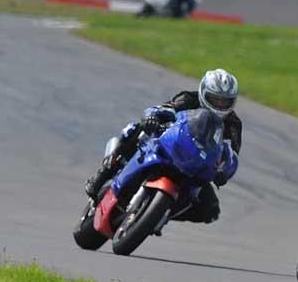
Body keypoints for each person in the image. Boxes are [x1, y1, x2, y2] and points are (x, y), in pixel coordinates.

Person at [84, 69, 242, 224]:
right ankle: (103, 174)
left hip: (198, 164)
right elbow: (163, 109)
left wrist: (223, 171)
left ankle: (162, 214)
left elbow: (231, 154)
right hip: (170, 143)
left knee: (211, 211)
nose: (219, 105)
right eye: (215, 99)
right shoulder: (188, 99)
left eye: (224, 102)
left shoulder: (233, 124)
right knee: (136, 129)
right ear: (203, 92)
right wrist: (152, 117)